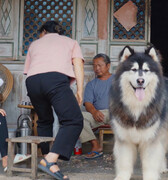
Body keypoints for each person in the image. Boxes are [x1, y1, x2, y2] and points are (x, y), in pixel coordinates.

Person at [24, 21, 84, 180]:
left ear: (43, 31)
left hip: (32, 81)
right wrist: (79, 90)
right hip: (55, 79)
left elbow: (29, 70)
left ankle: (47, 159)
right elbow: (78, 64)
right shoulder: (70, 42)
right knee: (74, 120)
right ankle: (50, 160)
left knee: (44, 120)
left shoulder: (34, 44)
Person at [79, 53, 113, 159]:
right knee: (77, 117)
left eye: (99, 65)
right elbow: (88, 103)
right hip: (100, 115)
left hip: (118, 114)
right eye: (94, 66)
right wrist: (94, 112)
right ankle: (96, 145)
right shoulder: (91, 84)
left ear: (108, 66)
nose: (96, 68)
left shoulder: (120, 80)